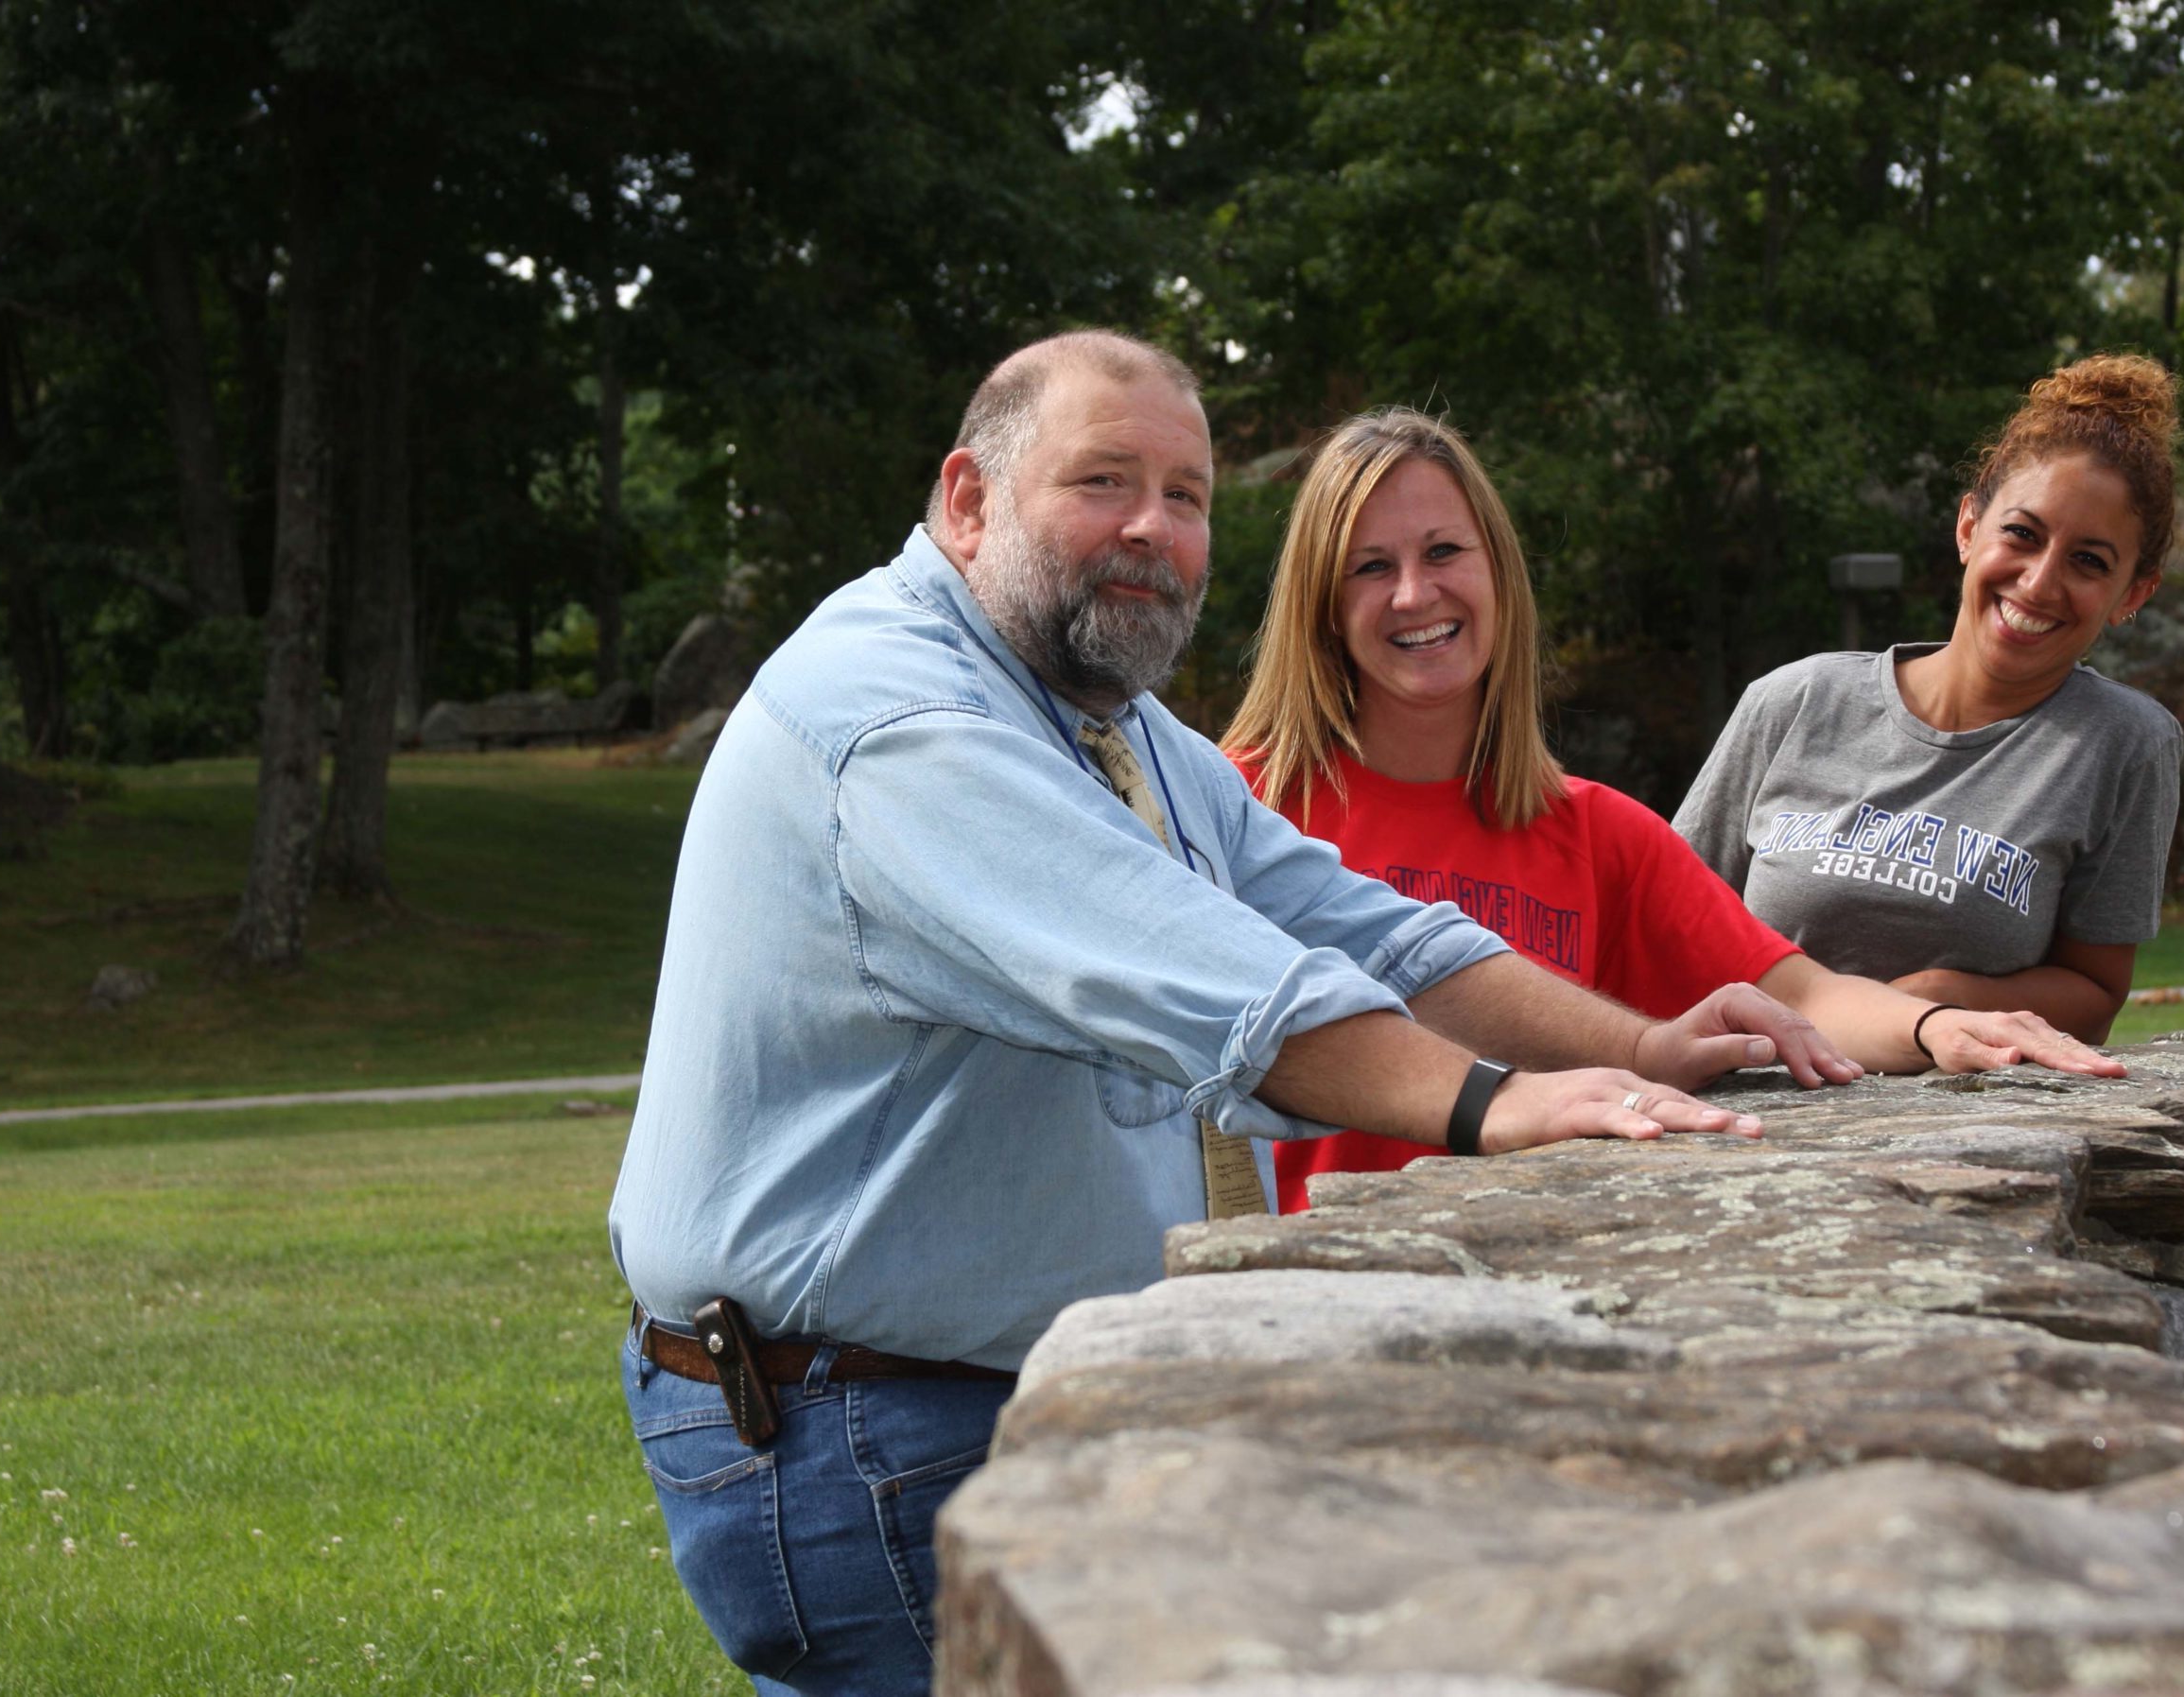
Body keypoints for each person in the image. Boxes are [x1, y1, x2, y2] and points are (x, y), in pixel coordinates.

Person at [606, 331, 1844, 1696]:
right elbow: (1226, 985)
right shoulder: (902, 722)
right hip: (861, 1425)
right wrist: (1498, 1104)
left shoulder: (1107, 725)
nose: (1153, 527)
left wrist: (1634, 1047)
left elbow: (1360, 921)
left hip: (950, 1398)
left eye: (1187, 496)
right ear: (967, 501)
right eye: (1103, 481)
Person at [1220, 407, 2123, 1212]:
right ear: (1322, 607)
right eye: (1371, 566)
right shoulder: (1233, 804)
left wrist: (1937, 1027)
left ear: (1498, 570)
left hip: (1531, 1287)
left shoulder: (1598, 833)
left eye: (1444, 551)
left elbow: (1805, 996)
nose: (1415, 593)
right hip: (1306, 1301)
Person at [1675, 355, 2184, 1042]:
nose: (2038, 583)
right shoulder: (1794, 701)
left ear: (2133, 593)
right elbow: (1667, 916)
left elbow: (2095, 992)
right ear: (1969, 527)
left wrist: (1939, 1000)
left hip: (1956, 1129)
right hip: (1749, 1104)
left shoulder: (2124, 743)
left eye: (2088, 561)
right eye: (2022, 534)